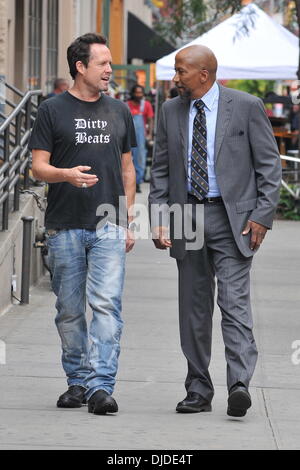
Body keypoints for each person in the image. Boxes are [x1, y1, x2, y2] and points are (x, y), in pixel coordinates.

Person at [149, 45, 281, 418]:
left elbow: (269, 167)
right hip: (185, 215)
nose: (175, 79)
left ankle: (239, 383)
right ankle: (198, 388)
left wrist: (262, 216)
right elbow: (160, 171)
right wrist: (160, 217)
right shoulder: (170, 111)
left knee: (234, 304)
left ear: (203, 74)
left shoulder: (245, 106)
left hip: (233, 219)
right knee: (193, 307)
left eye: (181, 72)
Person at [29, 33, 136, 415]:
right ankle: (77, 381)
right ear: (80, 66)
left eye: (110, 63)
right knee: (70, 310)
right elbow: (37, 166)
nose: (110, 70)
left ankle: (101, 387)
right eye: (102, 64)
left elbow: (127, 169)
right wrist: (65, 174)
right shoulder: (51, 110)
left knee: (107, 306)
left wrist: (126, 220)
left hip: (108, 225)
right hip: (64, 224)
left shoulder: (119, 111)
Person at [127, 84, 154, 193]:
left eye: (140, 92)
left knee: (140, 160)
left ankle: (137, 182)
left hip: (140, 137)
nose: (139, 94)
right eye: (136, 92)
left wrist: (150, 134)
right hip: (127, 137)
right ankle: (127, 182)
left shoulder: (146, 105)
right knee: (127, 160)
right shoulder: (126, 105)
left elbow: (150, 120)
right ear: (132, 93)